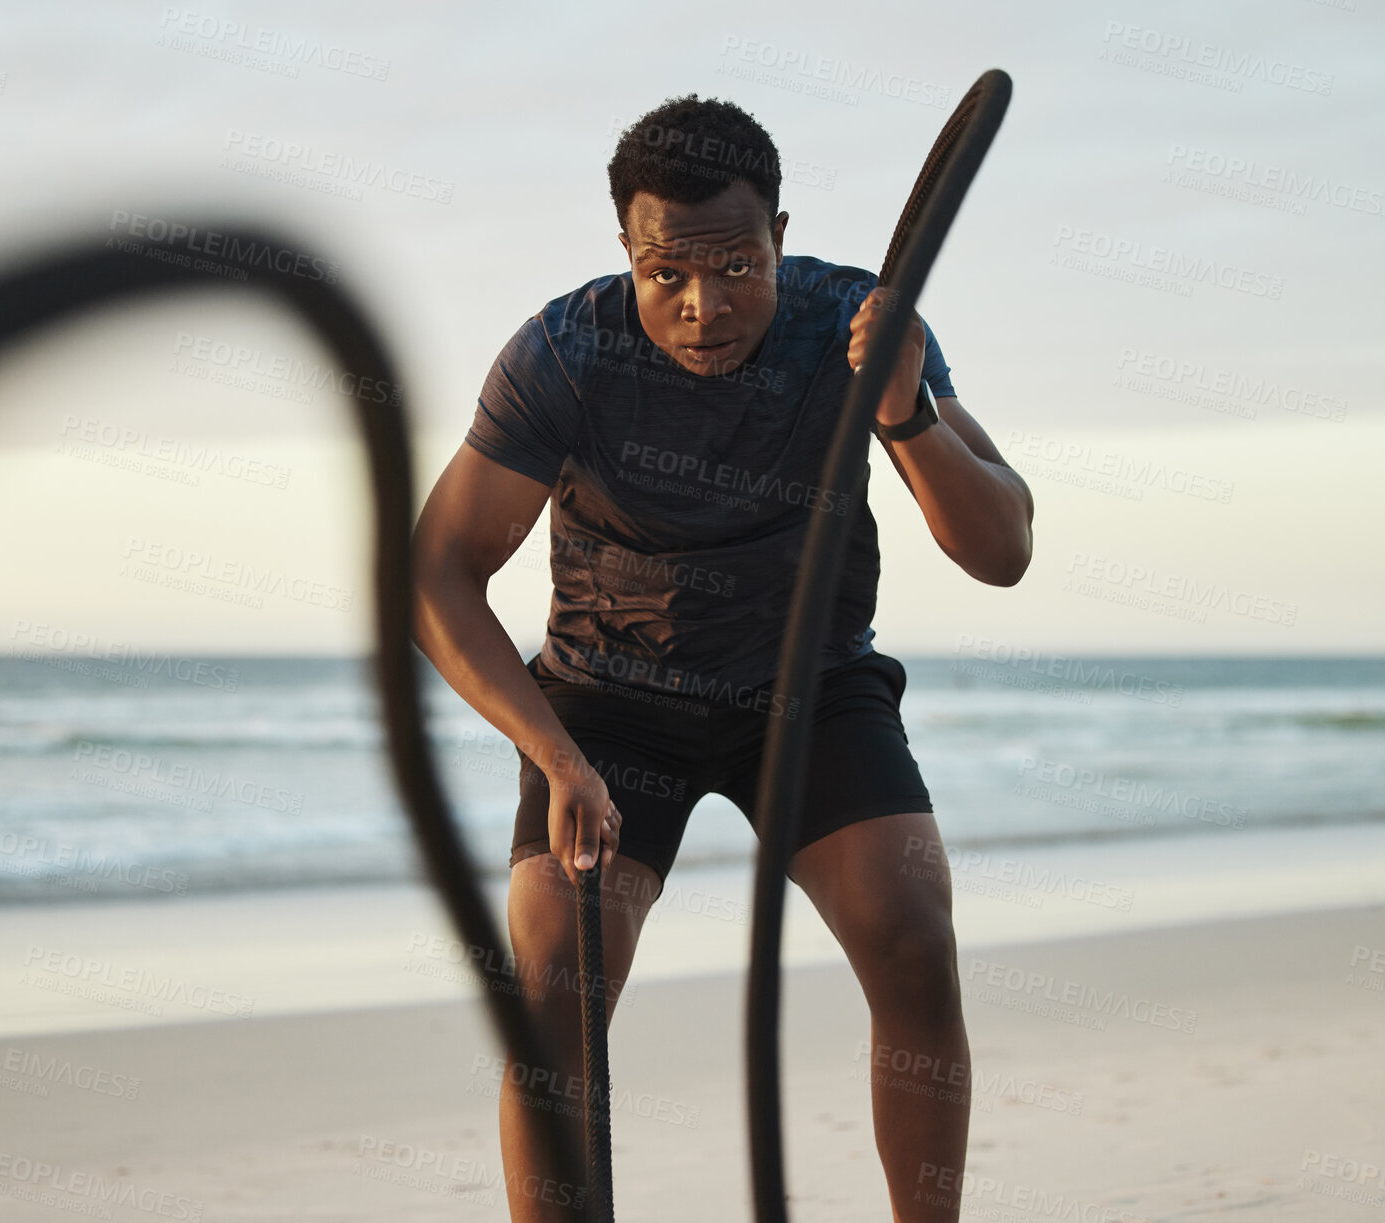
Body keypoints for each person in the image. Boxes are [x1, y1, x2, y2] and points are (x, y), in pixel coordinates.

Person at [411, 92, 1033, 1223]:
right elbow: (436, 571)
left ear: (780, 238)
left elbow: (1005, 548)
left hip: (812, 685)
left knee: (912, 928)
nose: (705, 306)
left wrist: (906, 415)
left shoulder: (855, 320)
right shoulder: (565, 352)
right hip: (606, 702)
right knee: (554, 978)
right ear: (629, 255)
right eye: (670, 275)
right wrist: (554, 757)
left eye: (739, 266)